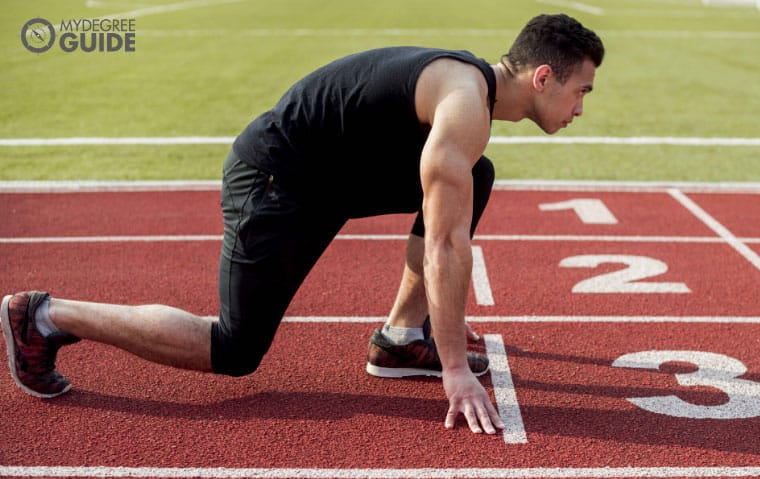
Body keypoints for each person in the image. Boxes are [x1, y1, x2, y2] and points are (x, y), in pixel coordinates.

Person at [2, 14, 603, 435]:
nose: (580, 109)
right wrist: (453, 370)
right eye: (581, 91)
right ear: (542, 78)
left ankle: (398, 339)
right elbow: (445, 244)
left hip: (329, 175)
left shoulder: (468, 93)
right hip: (275, 181)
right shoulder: (466, 105)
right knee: (235, 348)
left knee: (478, 174)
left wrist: (443, 326)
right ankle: (46, 316)